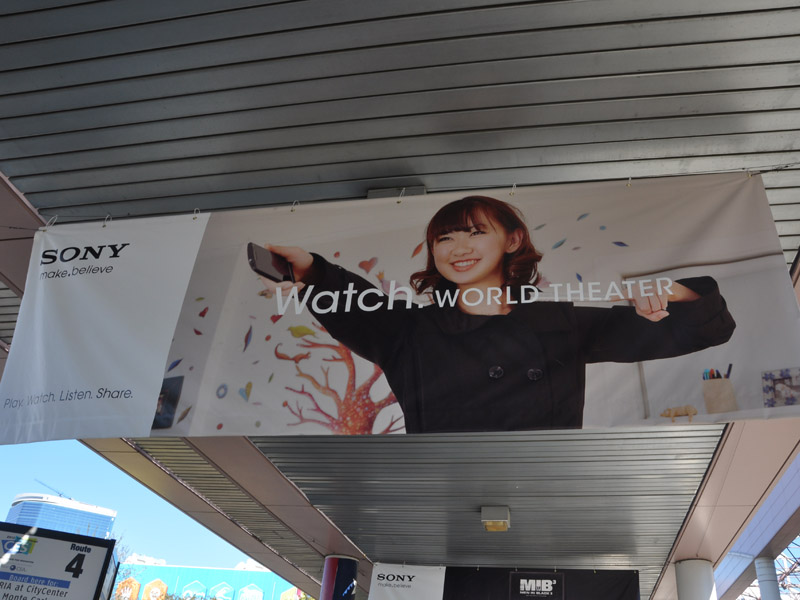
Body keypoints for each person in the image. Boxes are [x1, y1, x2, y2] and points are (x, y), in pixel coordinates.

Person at [266, 196, 735, 433]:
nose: (459, 248)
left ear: (512, 240)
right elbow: (354, 302)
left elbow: (700, 331)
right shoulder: (409, 331)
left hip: (547, 497)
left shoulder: (559, 324)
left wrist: (674, 292)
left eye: (475, 233)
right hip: (443, 500)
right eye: (445, 238)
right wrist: (310, 269)